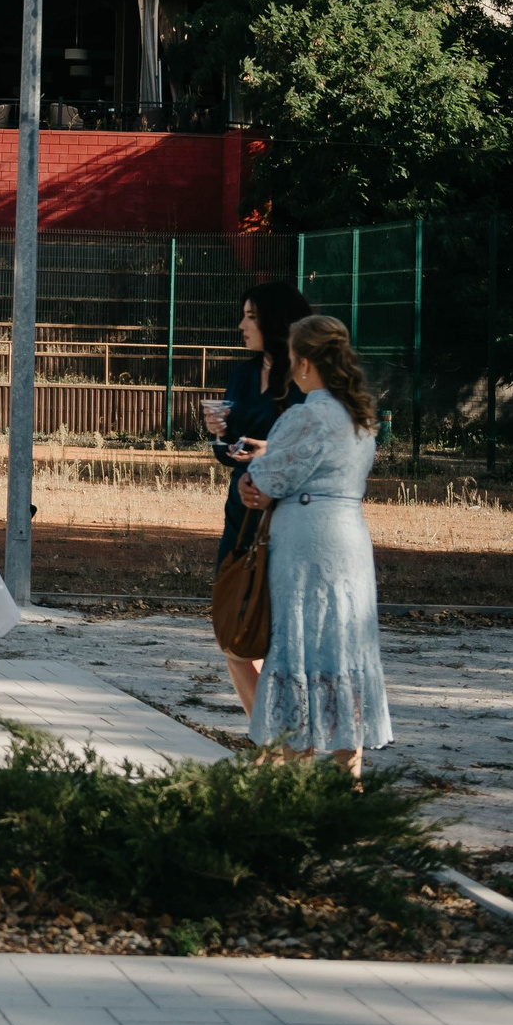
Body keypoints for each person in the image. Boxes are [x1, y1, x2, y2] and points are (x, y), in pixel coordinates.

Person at [236, 314, 391, 776]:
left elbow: (266, 481)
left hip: (306, 545)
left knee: (298, 643)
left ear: (304, 362)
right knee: (344, 645)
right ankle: (350, 778)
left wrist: (254, 476)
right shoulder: (360, 415)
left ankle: (295, 776)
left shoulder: (304, 415)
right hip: (349, 539)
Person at [201, 279, 315, 716]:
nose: (241, 325)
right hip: (242, 513)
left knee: (273, 630)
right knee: (233, 631)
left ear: (275, 321)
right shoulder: (244, 373)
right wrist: (218, 435)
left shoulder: (305, 379)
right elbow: (231, 451)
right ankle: (268, 730)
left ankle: (278, 738)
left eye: (251, 316)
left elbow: (310, 447)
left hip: (284, 516)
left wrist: (264, 454)